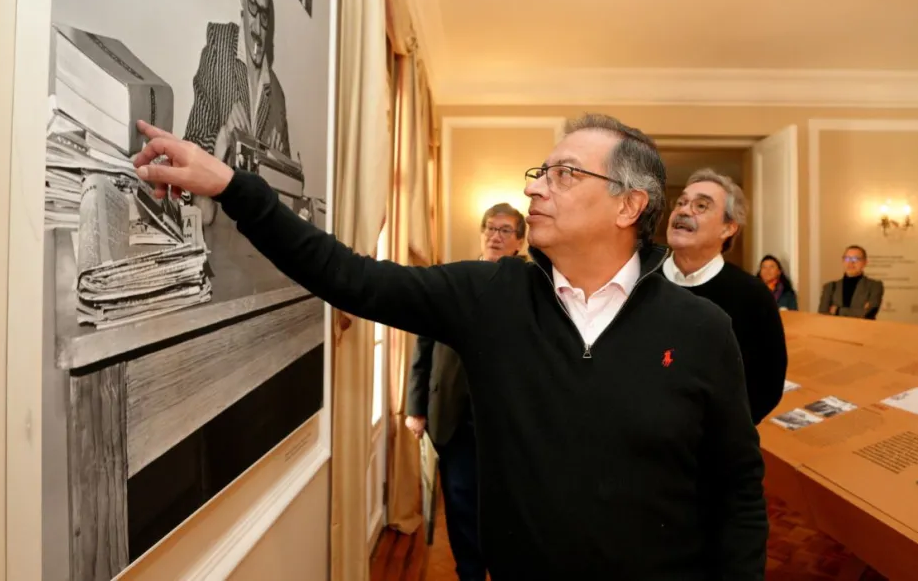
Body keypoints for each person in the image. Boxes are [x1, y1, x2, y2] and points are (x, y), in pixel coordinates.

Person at [132, 113, 768, 579]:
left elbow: (737, 487)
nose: (536, 188)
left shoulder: (701, 330)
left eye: (565, 173)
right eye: (541, 172)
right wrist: (233, 187)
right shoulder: (490, 294)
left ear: (629, 204)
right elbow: (350, 276)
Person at [405, 203, 526, 581]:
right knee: (458, 505)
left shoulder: (533, 289)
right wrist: (416, 406)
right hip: (454, 419)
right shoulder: (451, 281)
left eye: (506, 230)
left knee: (507, 509)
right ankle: (469, 574)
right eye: (490, 228)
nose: (495, 235)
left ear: (520, 242)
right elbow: (423, 345)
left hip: (508, 425)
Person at [662, 169, 788, 425]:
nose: (684, 211)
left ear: (728, 228)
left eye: (701, 206)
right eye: (682, 202)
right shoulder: (636, 280)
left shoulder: (752, 295)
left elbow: (765, 385)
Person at [184, 0, 290, 225]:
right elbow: (198, 211)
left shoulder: (278, 96)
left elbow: (284, 210)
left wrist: (278, 165)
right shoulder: (219, 48)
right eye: (252, 7)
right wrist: (221, 142)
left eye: (265, 15)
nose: (257, 28)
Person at [817, 245, 884, 319]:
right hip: (834, 329)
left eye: (856, 259)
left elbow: (869, 313)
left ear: (865, 262)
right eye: (847, 258)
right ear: (842, 261)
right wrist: (859, 311)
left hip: (863, 329)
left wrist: (838, 310)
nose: (851, 263)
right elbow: (823, 315)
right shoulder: (830, 287)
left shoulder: (874, 286)